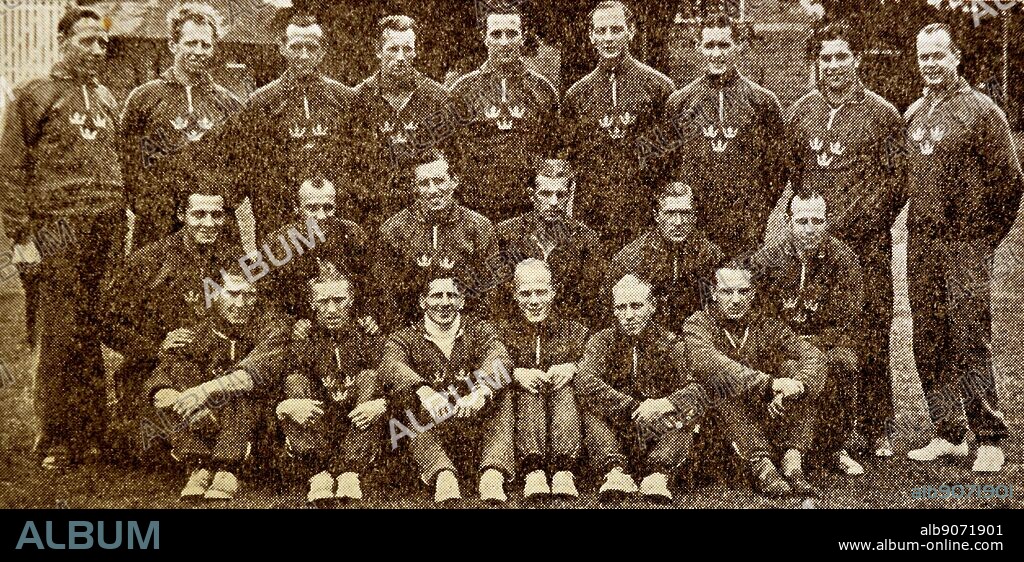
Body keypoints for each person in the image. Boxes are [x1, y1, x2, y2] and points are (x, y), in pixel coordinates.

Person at [0, 7, 126, 468]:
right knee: (58, 333)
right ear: (63, 42)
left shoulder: (108, 99)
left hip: (105, 230)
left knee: (93, 330)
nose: (96, 50)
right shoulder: (33, 95)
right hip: (58, 231)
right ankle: (55, 437)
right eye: (86, 41)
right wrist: (23, 238)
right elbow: (10, 173)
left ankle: (92, 431)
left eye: (102, 42)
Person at [903, 23, 1021, 473]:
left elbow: (1010, 183)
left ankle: (990, 436)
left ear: (956, 58)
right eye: (924, 57)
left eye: (939, 55)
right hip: (921, 241)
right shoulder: (914, 112)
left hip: (965, 243)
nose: (931, 64)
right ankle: (948, 432)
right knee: (928, 335)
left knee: (968, 333)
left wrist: (983, 236)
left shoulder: (982, 111)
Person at [786, 23, 906, 458]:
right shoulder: (800, 112)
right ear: (816, 64)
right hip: (812, 248)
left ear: (856, 60)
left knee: (871, 332)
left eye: (842, 57)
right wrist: (809, 228)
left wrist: (860, 225)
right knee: (820, 334)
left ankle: (877, 429)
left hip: (866, 246)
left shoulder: (882, 114)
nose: (833, 66)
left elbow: (896, 183)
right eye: (825, 58)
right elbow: (794, 175)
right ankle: (828, 430)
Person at [102, 188, 241, 457]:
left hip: (215, 366)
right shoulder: (148, 260)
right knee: (147, 446)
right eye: (199, 215)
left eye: (216, 215)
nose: (209, 223)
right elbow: (108, 322)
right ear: (182, 215)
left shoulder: (237, 259)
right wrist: (155, 346)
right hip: (157, 369)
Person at [143, 266, 291, 501]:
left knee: (235, 386)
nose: (242, 303)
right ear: (215, 294)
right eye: (233, 294)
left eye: (249, 295)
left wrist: (202, 392)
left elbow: (251, 376)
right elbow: (160, 380)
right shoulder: (200, 330)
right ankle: (199, 465)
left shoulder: (273, 328)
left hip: (259, 424)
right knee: (182, 372)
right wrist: (185, 404)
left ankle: (228, 468)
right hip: (207, 421)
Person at [683, 260, 826, 498]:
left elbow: (812, 354)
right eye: (727, 292)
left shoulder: (765, 324)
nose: (736, 299)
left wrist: (798, 386)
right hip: (720, 423)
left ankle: (793, 462)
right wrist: (770, 384)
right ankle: (762, 467)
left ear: (753, 294)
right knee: (719, 386)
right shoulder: (698, 323)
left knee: (794, 372)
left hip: (765, 411)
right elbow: (707, 362)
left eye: (743, 291)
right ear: (714, 294)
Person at [753, 190, 865, 476]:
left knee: (842, 363)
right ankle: (791, 448)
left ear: (827, 221)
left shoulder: (844, 259)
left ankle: (836, 447)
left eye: (817, 220)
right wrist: (791, 344)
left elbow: (845, 318)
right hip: (784, 344)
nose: (810, 228)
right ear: (789, 222)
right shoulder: (768, 260)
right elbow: (760, 314)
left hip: (829, 342)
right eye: (802, 221)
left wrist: (813, 345)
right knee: (789, 367)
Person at [220, 13, 358, 241]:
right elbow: (249, 163)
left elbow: (356, 158)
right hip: (280, 215)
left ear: (322, 51)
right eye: (296, 47)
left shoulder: (344, 97)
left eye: (311, 48)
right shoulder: (261, 101)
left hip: (332, 211)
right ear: (283, 47)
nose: (304, 55)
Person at [378, 276, 515, 503]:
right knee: (408, 399)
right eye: (436, 296)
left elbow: (500, 358)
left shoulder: (480, 330)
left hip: (476, 429)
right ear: (423, 301)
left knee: (502, 394)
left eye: (451, 295)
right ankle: (443, 474)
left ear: (461, 300)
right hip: (432, 432)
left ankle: (493, 473)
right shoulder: (405, 337)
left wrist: (481, 392)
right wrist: (424, 391)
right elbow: (390, 365)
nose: (444, 302)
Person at [574, 274, 709, 503]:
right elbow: (585, 380)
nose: (629, 315)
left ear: (652, 306)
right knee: (588, 407)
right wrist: (634, 407)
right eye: (622, 307)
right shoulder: (601, 341)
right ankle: (615, 473)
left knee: (688, 410)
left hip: (658, 434)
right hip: (615, 432)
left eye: (636, 306)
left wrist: (663, 404)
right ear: (614, 310)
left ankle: (658, 475)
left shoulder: (671, 343)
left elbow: (698, 386)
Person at [660, 12, 786, 257]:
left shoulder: (763, 102)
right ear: (699, 47)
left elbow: (778, 166)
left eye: (724, 45)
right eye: (709, 45)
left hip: (745, 222)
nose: (717, 54)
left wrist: (758, 206)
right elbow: (667, 163)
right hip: (695, 221)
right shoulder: (679, 101)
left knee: (739, 288)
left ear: (737, 46)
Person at [119, 2, 243, 249]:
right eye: (191, 43)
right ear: (173, 44)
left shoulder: (228, 102)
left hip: (213, 220)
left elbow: (243, 162)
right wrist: (148, 203)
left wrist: (222, 199)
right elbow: (128, 159)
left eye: (206, 44)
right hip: (158, 221)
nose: (199, 51)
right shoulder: (144, 98)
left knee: (218, 286)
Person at [562, 0, 675, 249]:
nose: (608, 38)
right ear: (591, 36)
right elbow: (570, 158)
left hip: (644, 211)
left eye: (616, 29)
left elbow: (672, 157)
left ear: (630, 30)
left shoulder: (659, 87)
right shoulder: (577, 94)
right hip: (593, 212)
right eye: (601, 31)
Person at [276, 265, 386, 504]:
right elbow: (278, 388)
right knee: (294, 381)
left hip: (356, 424)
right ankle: (318, 473)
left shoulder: (367, 334)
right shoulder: (303, 338)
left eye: (339, 300)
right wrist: (287, 406)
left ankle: (349, 471)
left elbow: (391, 381)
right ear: (312, 304)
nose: (332, 309)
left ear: (351, 300)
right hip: (319, 423)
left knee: (370, 376)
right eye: (323, 302)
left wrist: (382, 403)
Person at [448, 4, 559, 222]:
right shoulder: (462, 90)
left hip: (528, 212)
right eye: (496, 34)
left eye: (512, 34)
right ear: (484, 37)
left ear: (523, 37)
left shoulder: (543, 90)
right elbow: (449, 153)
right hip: (474, 209)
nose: (505, 42)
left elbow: (553, 152)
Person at [372, 147, 498, 329]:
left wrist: (471, 330)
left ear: (454, 181)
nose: (433, 190)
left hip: (466, 332)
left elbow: (490, 288)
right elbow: (385, 290)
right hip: (411, 333)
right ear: (415, 187)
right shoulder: (394, 229)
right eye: (424, 183)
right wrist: (405, 330)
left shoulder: (478, 226)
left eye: (439, 181)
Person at [351, 15, 451, 232]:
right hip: (374, 210)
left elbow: (451, 157)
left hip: (424, 210)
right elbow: (351, 161)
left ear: (415, 51)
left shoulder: (437, 97)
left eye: (407, 49)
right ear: (378, 50)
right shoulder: (359, 99)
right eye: (393, 49)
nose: (400, 57)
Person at [498, 259, 588, 499]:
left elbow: (591, 362)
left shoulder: (574, 330)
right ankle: (533, 470)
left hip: (563, 412)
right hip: (524, 416)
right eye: (526, 293)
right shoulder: (501, 330)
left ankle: (564, 470)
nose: (535, 301)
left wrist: (573, 367)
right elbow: (490, 363)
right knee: (530, 390)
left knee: (565, 388)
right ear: (515, 295)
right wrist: (515, 373)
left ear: (554, 291)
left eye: (541, 292)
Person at [495, 158, 606, 325]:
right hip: (517, 333)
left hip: (567, 335)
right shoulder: (506, 235)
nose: (554, 202)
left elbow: (592, 301)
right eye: (546, 194)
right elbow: (497, 298)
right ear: (532, 195)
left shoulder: (586, 240)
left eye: (560, 195)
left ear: (568, 196)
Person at [603, 182, 723, 333]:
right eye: (670, 213)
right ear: (657, 216)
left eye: (685, 213)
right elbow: (609, 310)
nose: (678, 222)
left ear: (694, 216)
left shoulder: (711, 255)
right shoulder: (631, 258)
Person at [260, 176, 370, 321]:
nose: (321, 215)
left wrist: (364, 317)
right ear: (298, 208)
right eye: (312, 208)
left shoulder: (352, 233)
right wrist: (291, 324)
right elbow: (267, 296)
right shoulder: (279, 242)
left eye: (328, 207)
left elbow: (368, 286)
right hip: (297, 329)